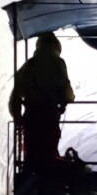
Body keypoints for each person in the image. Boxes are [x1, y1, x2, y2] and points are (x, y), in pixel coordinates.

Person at [9, 31, 75, 171]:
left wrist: (18, 119)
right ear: (57, 47)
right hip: (49, 117)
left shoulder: (29, 65)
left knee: (32, 154)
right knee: (48, 154)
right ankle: (48, 183)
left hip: (31, 118)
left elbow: (15, 96)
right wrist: (64, 103)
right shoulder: (58, 63)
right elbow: (68, 93)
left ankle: (30, 182)